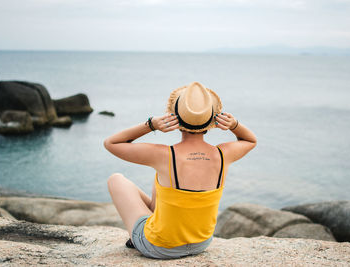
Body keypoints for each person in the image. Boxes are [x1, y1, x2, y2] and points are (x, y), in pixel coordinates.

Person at [104, 82, 257, 259]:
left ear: (174, 117)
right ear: (213, 119)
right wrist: (234, 125)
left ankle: (140, 237)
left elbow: (111, 143)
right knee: (162, 179)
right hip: (201, 243)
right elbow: (250, 140)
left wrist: (151, 124)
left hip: (159, 247)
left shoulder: (164, 155)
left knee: (116, 179)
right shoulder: (223, 154)